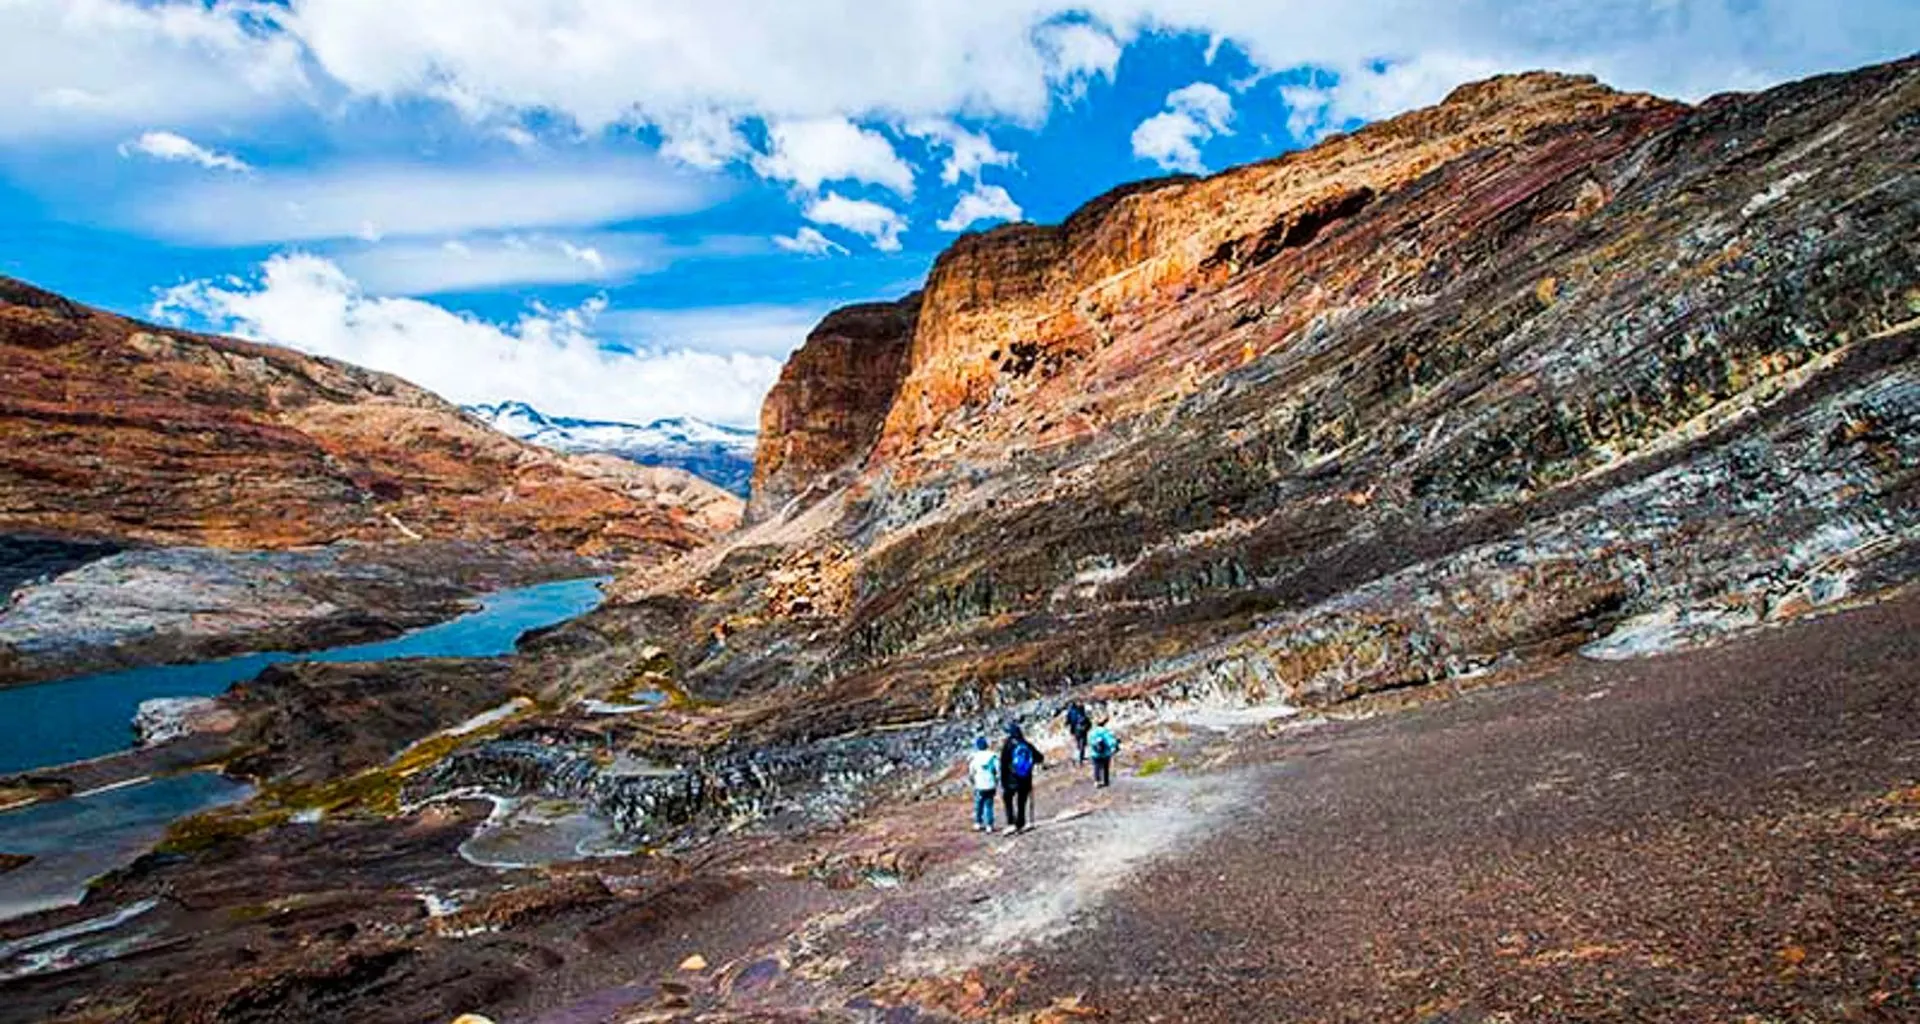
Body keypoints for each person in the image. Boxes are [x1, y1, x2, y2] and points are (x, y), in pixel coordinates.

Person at [999, 721, 1044, 833]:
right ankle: (1021, 823)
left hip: (1011, 780)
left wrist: (1003, 780)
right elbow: (1040, 757)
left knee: (1007, 799)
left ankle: (1011, 823)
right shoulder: (1026, 744)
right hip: (1025, 779)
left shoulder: (1008, 745)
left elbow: (1003, 763)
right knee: (1021, 801)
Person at [966, 736, 999, 832]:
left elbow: (971, 772)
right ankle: (989, 825)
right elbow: (998, 770)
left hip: (979, 784)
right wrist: (996, 780)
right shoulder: (993, 756)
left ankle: (978, 823)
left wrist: (973, 781)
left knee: (978, 804)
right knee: (989, 805)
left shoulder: (974, 757)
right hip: (990, 783)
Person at [1088, 719, 1120, 787]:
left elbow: (1090, 741)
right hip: (1105, 753)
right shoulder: (1105, 731)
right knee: (1105, 767)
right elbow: (1110, 740)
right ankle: (1106, 781)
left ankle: (1097, 781)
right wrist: (1114, 746)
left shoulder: (1092, 732)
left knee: (1096, 767)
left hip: (1095, 753)